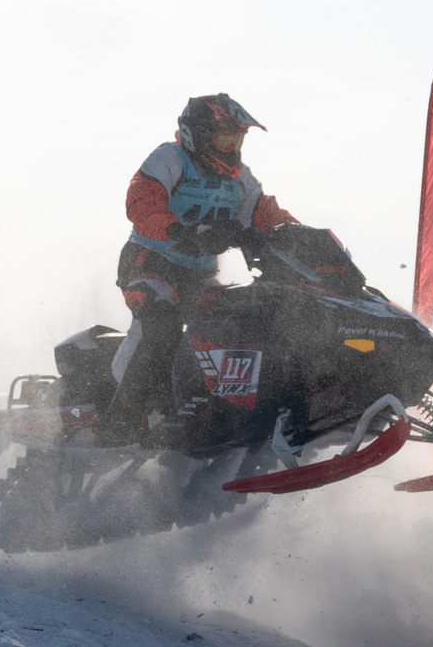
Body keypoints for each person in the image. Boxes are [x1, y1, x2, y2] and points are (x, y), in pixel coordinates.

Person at [99, 93, 300, 441]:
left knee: (239, 323)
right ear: (200, 136)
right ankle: (120, 419)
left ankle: (221, 407)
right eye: (225, 139)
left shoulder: (240, 179)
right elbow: (142, 203)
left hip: (198, 275)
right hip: (151, 263)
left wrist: (299, 239)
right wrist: (180, 231)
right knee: (161, 321)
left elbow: (265, 214)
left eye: (237, 140)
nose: (232, 148)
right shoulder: (170, 158)